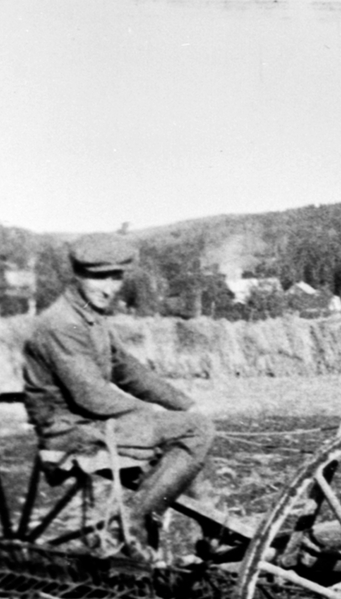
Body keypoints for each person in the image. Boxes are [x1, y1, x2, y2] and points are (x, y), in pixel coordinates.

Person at [22, 232, 215, 554]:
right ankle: (135, 527)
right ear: (78, 275)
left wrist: (184, 403)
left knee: (189, 424)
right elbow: (91, 395)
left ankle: (212, 526)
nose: (109, 288)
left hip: (92, 425)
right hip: (72, 432)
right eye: (99, 278)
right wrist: (150, 415)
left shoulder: (90, 318)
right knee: (196, 431)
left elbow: (127, 370)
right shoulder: (60, 324)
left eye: (116, 278)